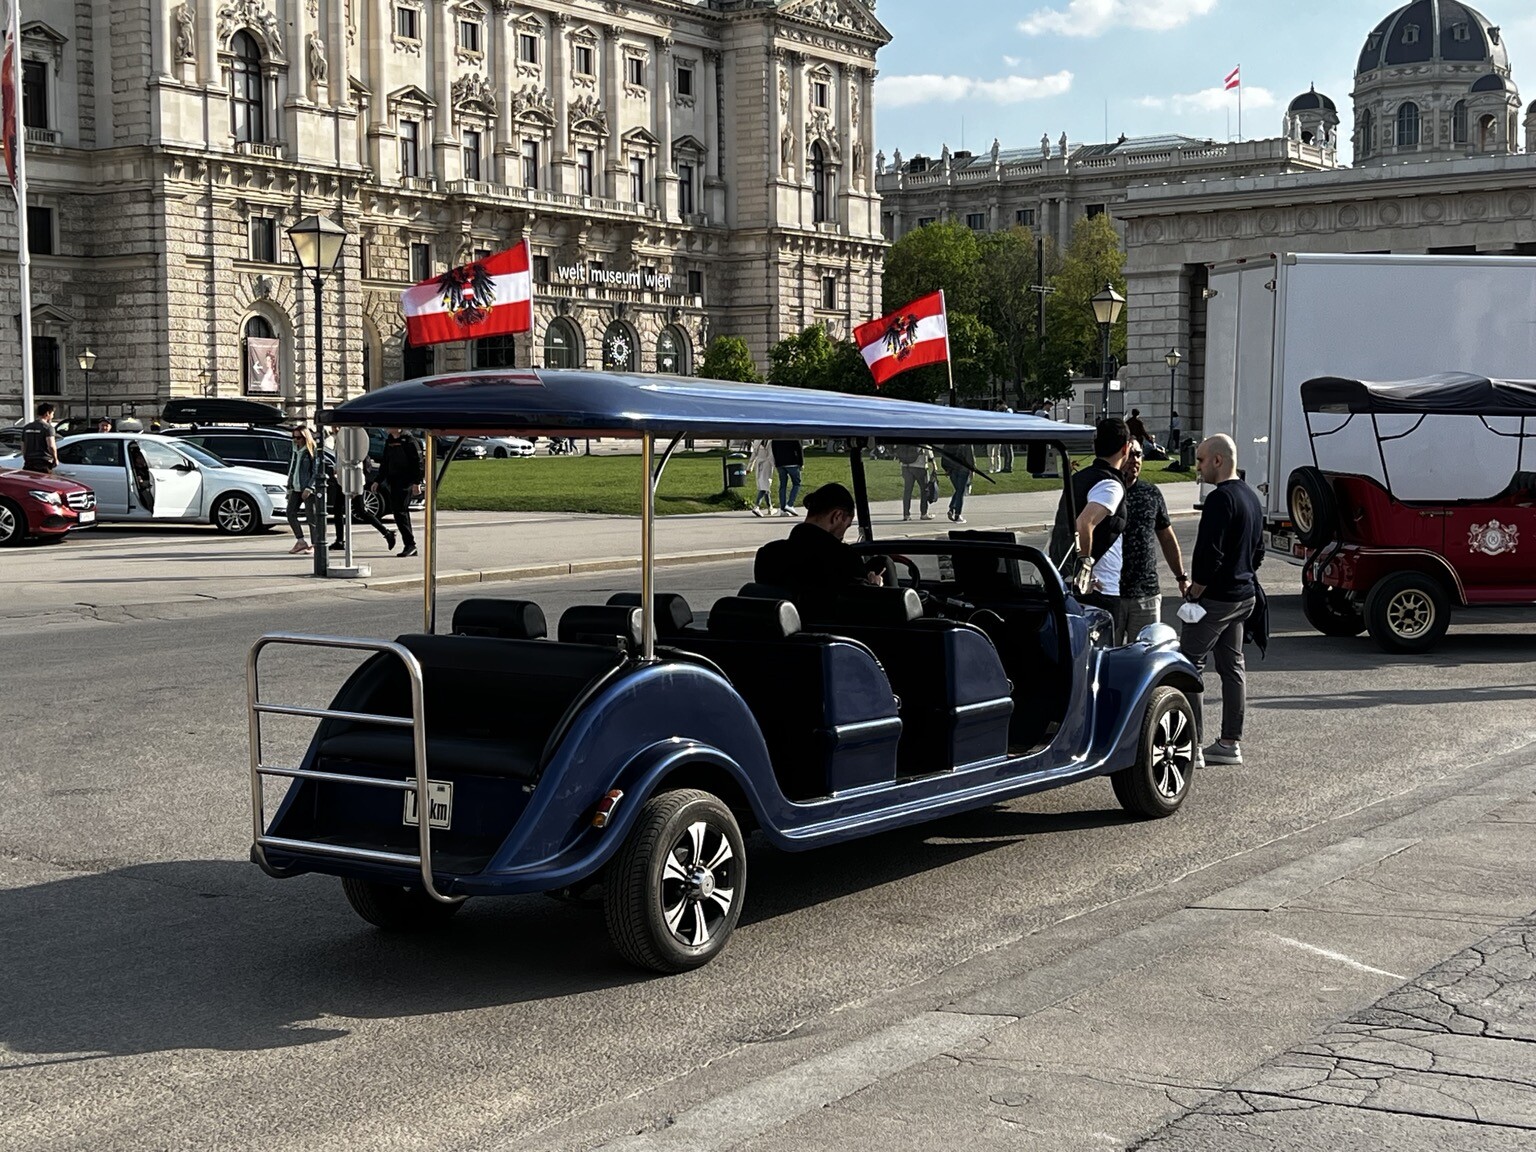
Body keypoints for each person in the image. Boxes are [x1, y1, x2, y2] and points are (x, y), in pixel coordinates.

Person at [1181, 434, 1265, 767]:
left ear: (1218, 460)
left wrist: (1195, 590)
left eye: (1200, 460)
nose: (1197, 467)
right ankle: (1230, 742)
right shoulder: (1250, 496)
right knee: (1232, 667)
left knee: (1188, 666)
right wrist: (1242, 571)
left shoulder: (1220, 499)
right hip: (1244, 596)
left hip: (1216, 599)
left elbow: (1208, 554)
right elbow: (1257, 549)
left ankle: (1192, 746)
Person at [1112, 441, 1188, 643]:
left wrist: (1181, 576)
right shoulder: (1106, 491)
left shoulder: (1150, 493)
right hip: (1110, 594)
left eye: (1138, 455)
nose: (1135, 460)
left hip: (1145, 593)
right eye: (1130, 455)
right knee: (1106, 657)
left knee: (1145, 657)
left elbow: (1167, 538)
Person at [754, 482, 883, 597]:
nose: (843, 536)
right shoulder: (845, 558)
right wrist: (875, 587)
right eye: (846, 526)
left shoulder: (767, 555)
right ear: (837, 516)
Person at [1049, 418, 1133, 585]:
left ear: (1095, 447)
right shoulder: (1110, 485)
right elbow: (1083, 523)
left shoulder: (1079, 478)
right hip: (1099, 587)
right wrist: (1084, 572)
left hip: (1065, 576)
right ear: (1125, 448)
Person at [328, 455, 397, 553]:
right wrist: (336, 469)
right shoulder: (340, 443)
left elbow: (357, 466)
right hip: (342, 480)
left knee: (360, 511)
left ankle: (387, 533)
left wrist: (355, 488)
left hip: (355, 482)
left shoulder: (351, 442)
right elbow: (339, 460)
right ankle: (339, 541)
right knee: (337, 510)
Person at [376, 427, 424, 558]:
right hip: (393, 481)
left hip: (406, 482)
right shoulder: (390, 441)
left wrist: (417, 482)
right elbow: (385, 462)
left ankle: (410, 544)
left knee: (401, 512)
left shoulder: (409, 441)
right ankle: (409, 544)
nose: (386, 428)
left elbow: (418, 462)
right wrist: (378, 480)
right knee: (398, 512)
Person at [284, 426, 320, 555]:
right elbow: (291, 469)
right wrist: (289, 488)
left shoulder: (312, 450)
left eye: (298, 437)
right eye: (293, 437)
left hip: (307, 488)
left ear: (305, 437)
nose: (295, 440)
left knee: (312, 517)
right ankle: (300, 541)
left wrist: (310, 487)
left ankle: (316, 544)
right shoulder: (294, 450)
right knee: (290, 513)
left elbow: (316, 471)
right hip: (295, 487)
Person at [894, 442, 936, 521]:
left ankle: (906, 515)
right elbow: (929, 454)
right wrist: (934, 465)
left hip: (906, 467)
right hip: (920, 467)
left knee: (907, 491)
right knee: (924, 491)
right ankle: (924, 513)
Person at [942, 442, 976, 524]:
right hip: (963, 469)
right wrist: (972, 469)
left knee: (958, 490)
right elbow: (970, 456)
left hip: (952, 469)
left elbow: (944, 457)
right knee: (960, 491)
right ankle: (957, 514)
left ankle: (952, 508)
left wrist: (946, 468)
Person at [20, 402, 58, 473]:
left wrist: (25, 458)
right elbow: (51, 446)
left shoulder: (26, 427)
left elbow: (23, 445)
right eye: (52, 414)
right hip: (43, 463)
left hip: (29, 463)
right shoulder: (48, 428)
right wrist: (55, 459)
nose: (53, 416)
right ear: (47, 413)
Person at [772, 438, 803, 516]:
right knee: (796, 484)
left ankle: (783, 509)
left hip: (780, 463)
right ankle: (790, 504)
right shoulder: (793, 436)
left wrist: (776, 462)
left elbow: (774, 450)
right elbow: (799, 449)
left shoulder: (776, 437)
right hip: (792, 462)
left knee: (783, 486)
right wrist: (801, 463)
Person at [747, 439, 776, 516]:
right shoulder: (770, 441)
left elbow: (754, 454)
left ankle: (770, 507)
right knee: (764, 486)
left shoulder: (757, 441)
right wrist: (776, 465)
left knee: (764, 485)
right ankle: (756, 506)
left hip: (759, 463)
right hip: (767, 464)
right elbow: (771, 455)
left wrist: (749, 467)